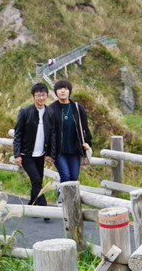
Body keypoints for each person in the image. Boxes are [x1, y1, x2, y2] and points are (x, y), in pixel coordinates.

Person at [12, 82, 58, 214]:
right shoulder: (25, 112)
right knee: (36, 180)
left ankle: (31, 205)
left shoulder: (50, 112)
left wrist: (51, 154)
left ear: (47, 96)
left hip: (41, 154)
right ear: (33, 96)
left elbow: (53, 134)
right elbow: (18, 134)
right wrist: (17, 154)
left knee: (37, 182)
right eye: (38, 95)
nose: (41, 98)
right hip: (27, 154)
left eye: (43, 95)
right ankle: (44, 210)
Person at [49, 79, 92, 189]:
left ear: (69, 91)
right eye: (60, 89)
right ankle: (61, 200)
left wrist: (87, 143)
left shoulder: (77, 108)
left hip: (74, 149)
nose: (63, 91)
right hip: (59, 151)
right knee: (65, 175)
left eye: (66, 88)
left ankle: (71, 202)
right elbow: (47, 132)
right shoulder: (51, 109)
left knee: (73, 176)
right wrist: (48, 151)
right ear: (56, 92)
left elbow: (85, 127)